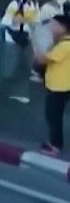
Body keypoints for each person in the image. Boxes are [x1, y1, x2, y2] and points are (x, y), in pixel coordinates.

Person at [35, 14, 70, 157]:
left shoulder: (65, 45)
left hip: (59, 87)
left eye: (54, 25)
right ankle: (54, 143)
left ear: (63, 28)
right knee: (52, 115)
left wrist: (35, 42)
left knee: (54, 116)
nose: (51, 27)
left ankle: (55, 146)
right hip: (56, 84)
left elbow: (43, 59)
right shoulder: (61, 42)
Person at [1, 0, 41, 88]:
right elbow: (5, 20)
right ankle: (0, 86)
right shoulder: (16, 3)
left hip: (26, 37)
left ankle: (16, 89)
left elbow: (37, 21)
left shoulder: (35, 4)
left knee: (22, 64)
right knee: (9, 63)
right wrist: (15, 20)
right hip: (12, 37)